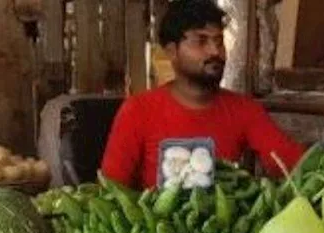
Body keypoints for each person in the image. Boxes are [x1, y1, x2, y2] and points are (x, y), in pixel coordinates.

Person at [100, 0, 306, 189]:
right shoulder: (138, 110)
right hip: (154, 226)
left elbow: (293, 165)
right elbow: (112, 192)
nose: (214, 52)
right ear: (172, 51)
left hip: (222, 226)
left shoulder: (244, 110)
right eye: (201, 41)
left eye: (219, 41)